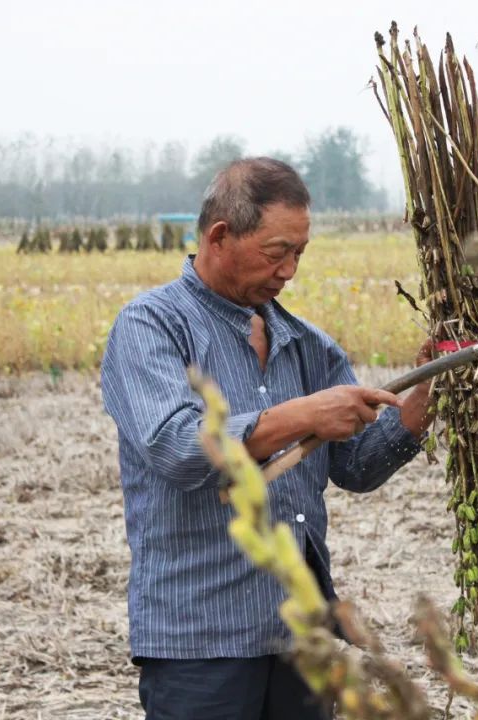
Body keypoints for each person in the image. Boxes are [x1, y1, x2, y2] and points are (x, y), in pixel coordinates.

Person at [100, 157, 437, 720]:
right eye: (277, 252)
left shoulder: (307, 344)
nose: (289, 271)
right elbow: (177, 447)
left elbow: (354, 466)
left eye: (300, 253)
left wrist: (419, 408)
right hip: (199, 642)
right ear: (220, 236)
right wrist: (304, 414)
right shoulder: (151, 326)